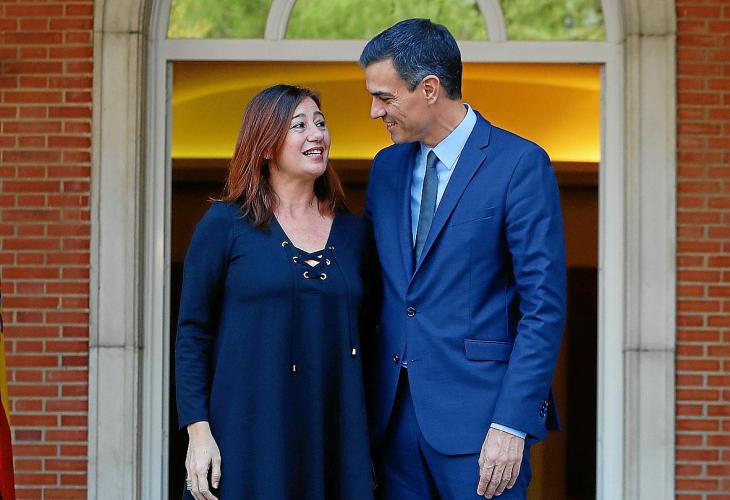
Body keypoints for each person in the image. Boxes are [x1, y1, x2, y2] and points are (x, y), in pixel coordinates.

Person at [360, 19, 566, 500]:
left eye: (385, 97)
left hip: (483, 424)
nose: (374, 111)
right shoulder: (385, 169)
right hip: (392, 421)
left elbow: (543, 307)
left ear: (429, 89)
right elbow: (372, 291)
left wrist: (512, 423)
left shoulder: (519, 164)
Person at [175, 84, 375, 500]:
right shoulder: (225, 224)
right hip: (247, 437)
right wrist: (198, 431)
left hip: (334, 438)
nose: (316, 134)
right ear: (266, 145)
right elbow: (193, 333)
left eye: (320, 123)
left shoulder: (355, 234)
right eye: (299, 125)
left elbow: (373, 337)